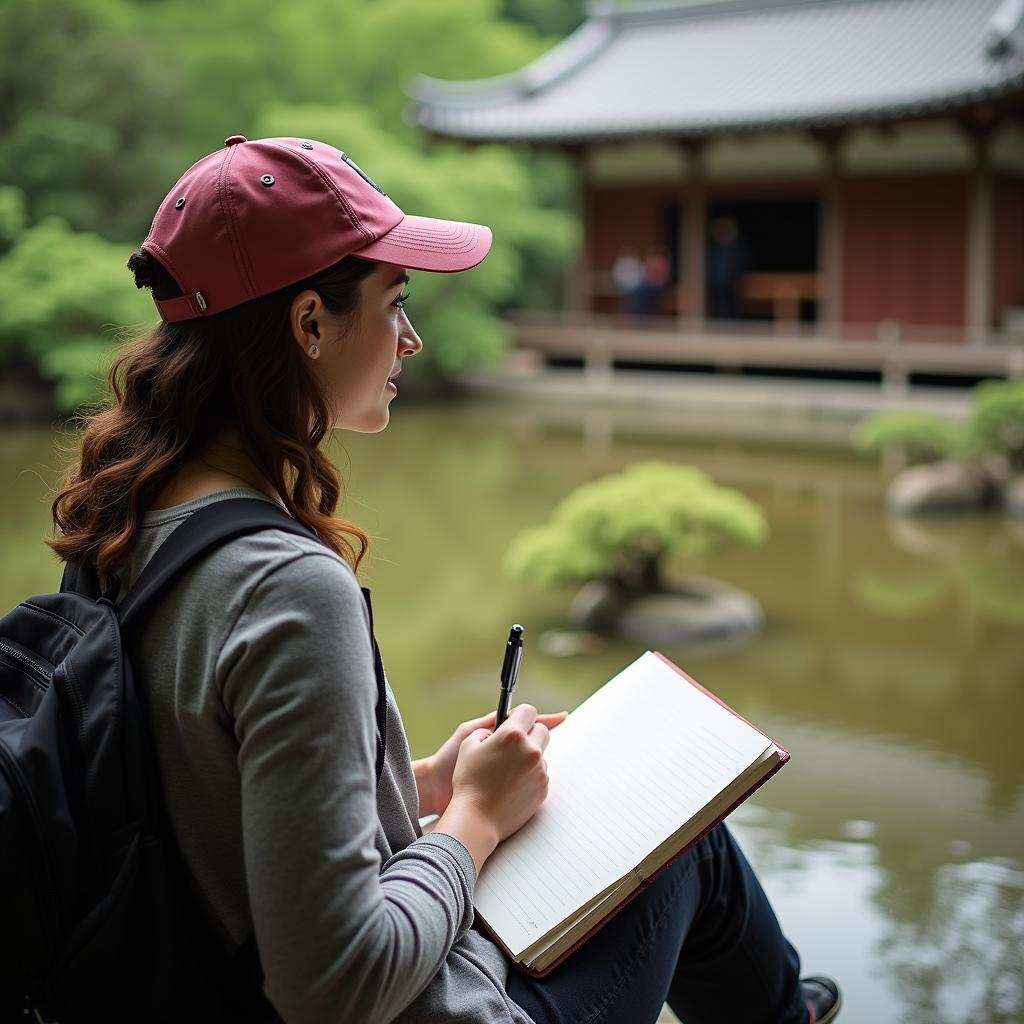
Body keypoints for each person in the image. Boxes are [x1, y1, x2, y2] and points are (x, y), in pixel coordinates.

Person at [47, 135, 840, 1024]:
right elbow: (335, 988)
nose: (414, 339)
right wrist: (475, 818)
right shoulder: (285, 588)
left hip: (185, 977)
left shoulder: (118, 522)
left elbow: (203, 797)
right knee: (690, 843)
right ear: (309, 324)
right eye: (397, 303)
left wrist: (419, 784)